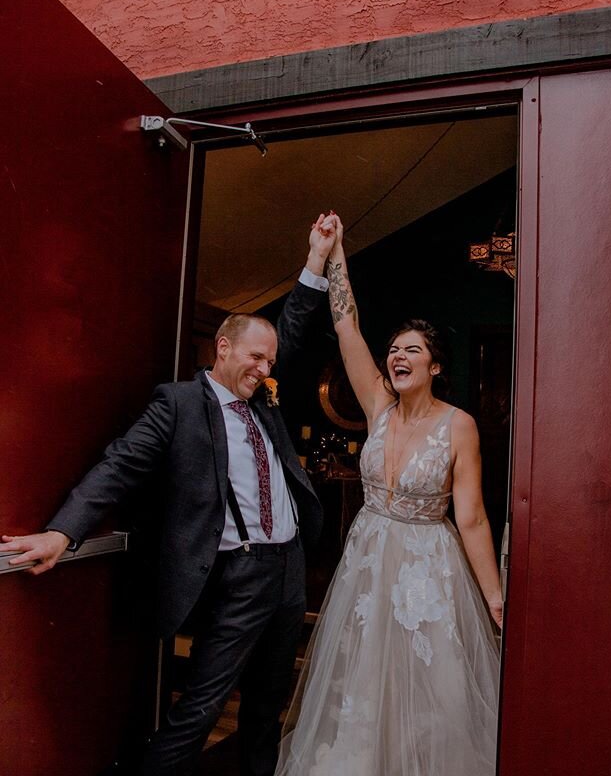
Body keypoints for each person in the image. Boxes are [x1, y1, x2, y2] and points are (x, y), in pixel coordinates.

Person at [0, 214, 340, 776]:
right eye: (255, 358)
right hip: (241, 573)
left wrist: (316, 260)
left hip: (290, 566)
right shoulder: (179, 404)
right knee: (201, 707)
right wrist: (62, 532)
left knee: (266, 706)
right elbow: (121, 464)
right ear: (223, 347)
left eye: (270, 361)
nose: (265, 369)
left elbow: (296, 328)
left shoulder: (264, 400)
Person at [276, 212, 502, 776]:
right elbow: (347, 327)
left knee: (432, 683)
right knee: (363, 675)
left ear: (435, 365)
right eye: (394, 350)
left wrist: (494, 597)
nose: (397, 357)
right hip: (371, 559)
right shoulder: (379, 406)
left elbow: (471, 518)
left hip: (428, 566)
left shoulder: (459, 426)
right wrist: (334, 254)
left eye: (411, 351)